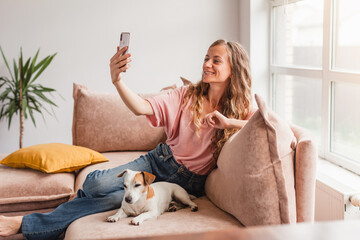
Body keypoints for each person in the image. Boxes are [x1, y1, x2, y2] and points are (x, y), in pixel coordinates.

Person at [0, 39, 253, 240]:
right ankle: (56, 213)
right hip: (158, 162)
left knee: (115, 200)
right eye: (206, 58)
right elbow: (141, 107)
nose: (207, 64)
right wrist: (117, 80)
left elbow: (264, 122)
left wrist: (228, 123)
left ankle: (24, 224)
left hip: (189, 183)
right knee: (95, 187)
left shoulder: (241, 107)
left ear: (233, 69)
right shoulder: (187, 95)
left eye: (216, 60)